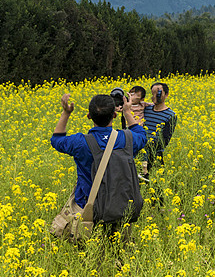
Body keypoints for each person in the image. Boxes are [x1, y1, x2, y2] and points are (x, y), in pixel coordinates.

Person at [50, 92, 147, 237]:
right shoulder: (128, 138)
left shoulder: (80, 142)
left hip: (89, 211)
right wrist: (127, 112)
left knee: (89, 253)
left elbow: (56, 140)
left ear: (89, 116)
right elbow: (141, 134)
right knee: (119, 250)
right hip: (121, 207)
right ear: (114, 115)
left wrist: (66, 113)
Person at [143, 82, 177, 178]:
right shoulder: (146, 109)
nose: (155, 96)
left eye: (158, 93)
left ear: (166, 95)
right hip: (140, 151)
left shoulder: (171, 115)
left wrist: (148, 144)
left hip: (155, 154)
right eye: (153, 93)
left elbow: (165, 140)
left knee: (155, 183)